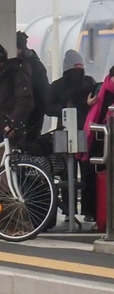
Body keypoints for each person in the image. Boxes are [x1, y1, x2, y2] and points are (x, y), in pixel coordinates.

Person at [48, 50, 98, 222]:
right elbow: (49, 108)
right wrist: (75, 107)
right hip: (83, 132)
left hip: (74, 133)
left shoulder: (58, 85)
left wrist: (68, 108)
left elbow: (49, 108)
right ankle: (84, 211)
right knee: (79, 174)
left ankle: (72, 211)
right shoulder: (88, 82)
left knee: (72, 174)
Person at [17, 31, 50, 138]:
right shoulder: (34, 64)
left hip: (30, 117)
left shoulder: (30, 66)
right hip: (31, 116)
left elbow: (42, 94)